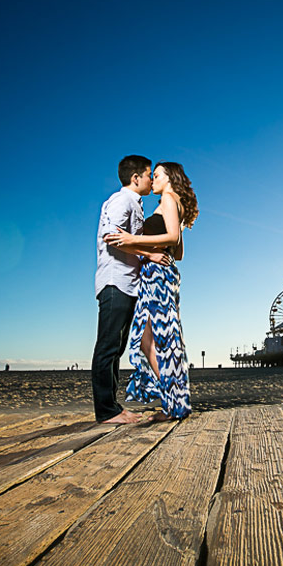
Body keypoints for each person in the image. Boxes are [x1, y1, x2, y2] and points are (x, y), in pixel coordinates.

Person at [104, 162, 198, 421]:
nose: (153, 180)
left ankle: (173, 406)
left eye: (157, 175)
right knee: (151, 341)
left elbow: (169, 239)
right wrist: (159, 247)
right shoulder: (174, 202)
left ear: (170, 178)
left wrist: (134, 240)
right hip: (161, 274)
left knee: (154, 342)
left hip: (157, 276)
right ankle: (173, 402)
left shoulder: (168, 197)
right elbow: (177, 250)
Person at [92, 155, 170, 424]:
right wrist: (149, 255)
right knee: (108, 346)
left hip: (128, 283)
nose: (151, 179)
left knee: (117, 347)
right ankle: (106, 412)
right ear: (135, 178)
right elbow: (112, 237)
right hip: (115, 281)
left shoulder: (134, 204)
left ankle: (113, 407)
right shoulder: (121, 200)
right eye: (149, 174)